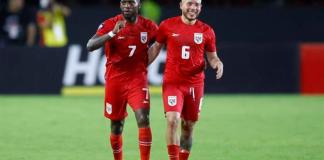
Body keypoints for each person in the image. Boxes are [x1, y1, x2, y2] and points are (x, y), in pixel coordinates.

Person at [148, 0, 224, 159]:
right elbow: (155, 47)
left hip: (195, 85)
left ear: (201, 7)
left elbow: (212, 56)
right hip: (173, 83)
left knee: (188, 126)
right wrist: (141, 66)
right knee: (172, 120)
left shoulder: (207, 31)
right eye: (190, 3)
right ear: (181, 5)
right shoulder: (167, 25)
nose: (193, 8)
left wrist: (217, 63)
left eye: (197, 5)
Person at [86, 0, 158, 160]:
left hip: (137, 80)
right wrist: (112, 33)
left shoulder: (149, 26)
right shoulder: (110, 23)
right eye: (124, 2)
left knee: (143, 118)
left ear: (138, 5)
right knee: (116, 127)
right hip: (115, 81)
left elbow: (162, 41)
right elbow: (90, 45)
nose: (126, 5)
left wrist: (149, 59)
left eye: (131, 2)